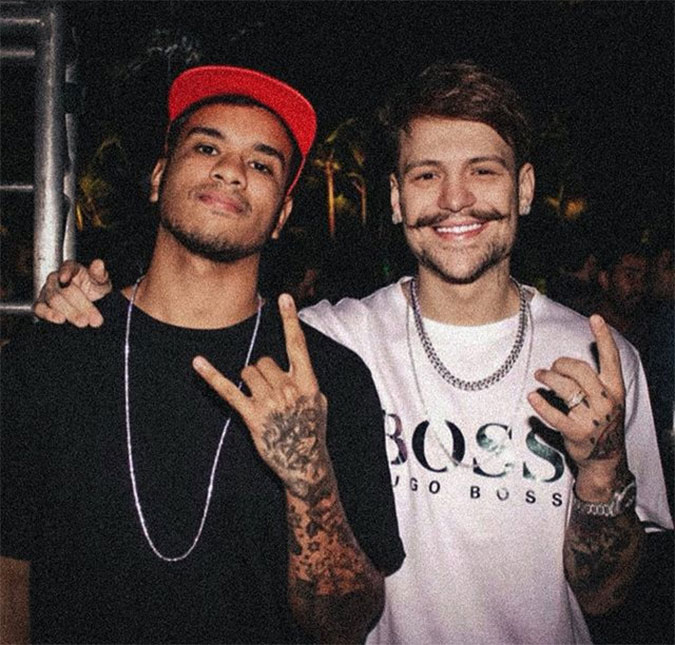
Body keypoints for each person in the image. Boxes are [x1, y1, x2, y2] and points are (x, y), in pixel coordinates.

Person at [31, 62, 672, 644]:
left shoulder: (600, 360)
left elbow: (607, 597)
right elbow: (197, 324)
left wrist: (601, 467)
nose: (455, 199)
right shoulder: (330, 342)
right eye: (427, 175)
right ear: (396, 198)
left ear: (523, 188)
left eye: (483, 170)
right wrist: (88, 300)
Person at [1, 65, 405, 645]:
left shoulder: (328, 379)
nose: (231, 170)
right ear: (158, 177)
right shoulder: (53, 353)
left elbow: (347, 624)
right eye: (207, 147)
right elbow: (9, 572)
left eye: (261, 164)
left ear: (281, 217)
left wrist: (309, 477)